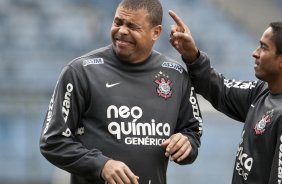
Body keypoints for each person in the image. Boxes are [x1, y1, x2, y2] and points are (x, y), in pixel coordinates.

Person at [39, 1, 203, 183]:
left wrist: (186, 143)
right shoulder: (80, 72)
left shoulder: (176, 75)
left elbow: (192, 133)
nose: (122, 30)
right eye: (118, 22)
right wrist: (101, 165)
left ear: (155, 32)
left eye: (132, 26)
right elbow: (52, 141)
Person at [168, 9, 282, 184]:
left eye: (264, 47)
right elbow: (219, 88)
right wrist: (192, 55)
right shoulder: (261, 91)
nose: (255, 52)